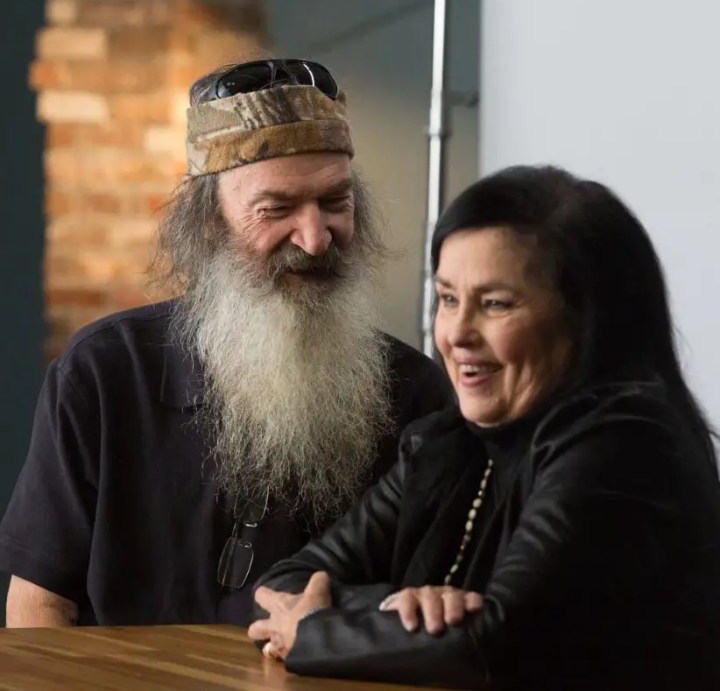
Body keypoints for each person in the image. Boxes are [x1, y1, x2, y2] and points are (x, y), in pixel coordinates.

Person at [0, 58, 452, 627]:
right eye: (276, 209)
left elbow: (429, 605)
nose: (315, 239)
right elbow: (41, 603)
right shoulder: (104, 372)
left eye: (335, 202)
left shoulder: (414, 393)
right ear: (210, 222)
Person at [249, 165, 720, 690]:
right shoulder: (446, 443)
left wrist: (317, 629)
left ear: (587, 320)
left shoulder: (626, 443)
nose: (456, 334)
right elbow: (282, 587)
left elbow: (496, 643)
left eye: (495, 304)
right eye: (449, 299)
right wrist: (398, 604)